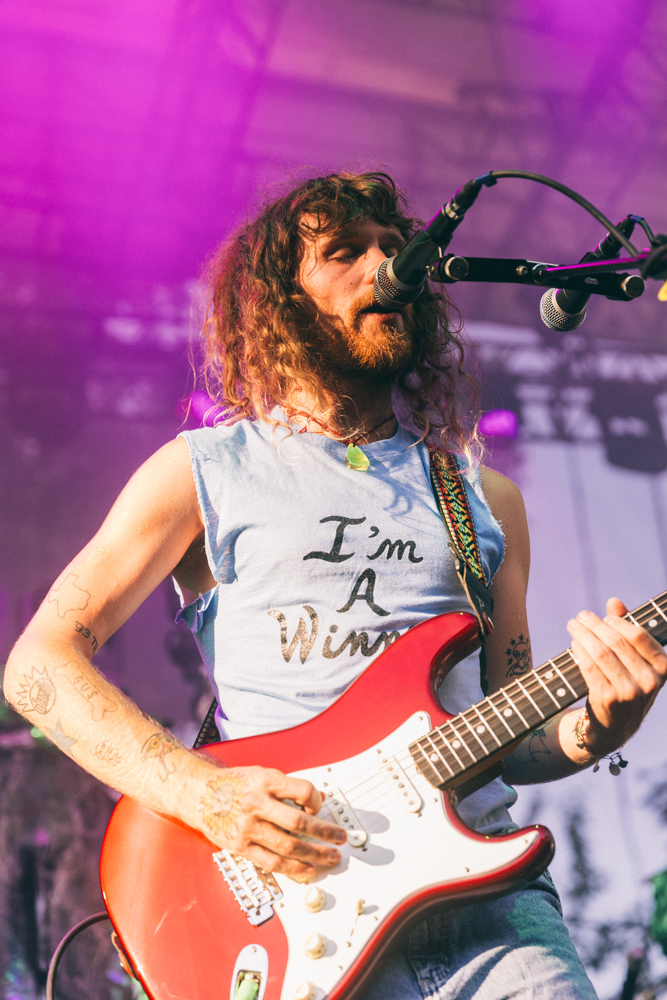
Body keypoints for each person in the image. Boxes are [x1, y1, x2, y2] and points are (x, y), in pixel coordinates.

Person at [4, 171, 666, 999]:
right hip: (292, 907)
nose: (384, 267)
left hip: (491, 916)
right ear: (279, 302)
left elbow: (513, 731)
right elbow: (38, 664)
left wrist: (603, 722)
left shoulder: (484, 502)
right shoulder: (200, 473)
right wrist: (201, 796)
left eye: (393, 249)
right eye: (344, 253)